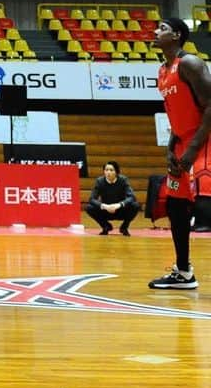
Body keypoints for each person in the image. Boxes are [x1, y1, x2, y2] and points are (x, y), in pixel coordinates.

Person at [149, 17, 211, 290]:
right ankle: (184, 272)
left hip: (204, 142)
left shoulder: (191, 64)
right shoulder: (163, 70)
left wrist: (193, 150)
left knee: (206, 209)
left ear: (176, 35)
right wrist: (171, 147)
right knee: (176, 207)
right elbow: (175, 113)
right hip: (182, 145)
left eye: (162, 28)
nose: (155, 31)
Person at [85, 160, 138, 235]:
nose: (108, 172)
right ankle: (105, 226)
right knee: (89, 207)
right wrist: (104, 206)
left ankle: (124, 227)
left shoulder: (123, 180)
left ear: (116, 172)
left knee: (135, 205)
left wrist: (118, 205)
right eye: (106, 170)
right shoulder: (100, 181)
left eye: (111, 170)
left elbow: (132, 197)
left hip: (120, 210)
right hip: (106, 210)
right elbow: (92, 199)